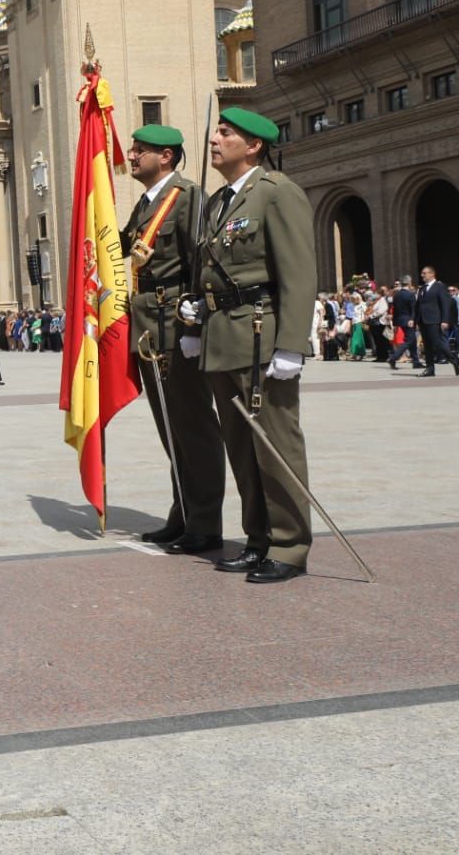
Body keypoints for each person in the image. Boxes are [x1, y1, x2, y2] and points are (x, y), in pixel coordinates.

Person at [179, 108, 315, 584]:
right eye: (215, 130)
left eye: (225, 132)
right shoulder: (218, 203)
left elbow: (298, 273)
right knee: (241, 448)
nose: (214, 139)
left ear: (254, 145)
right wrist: (196, 318)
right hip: (225, 338)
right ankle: (258, 540)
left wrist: (292, 345)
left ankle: (290, 546)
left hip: (262, 337)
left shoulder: (276, 193)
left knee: (276, 445)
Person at [119, 124, 227, 554]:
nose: (130, 155)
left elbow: (200, 263)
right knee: (171, 429)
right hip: (148, 328)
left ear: (166, 156)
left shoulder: (186, 199)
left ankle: (205, 524)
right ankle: (183, 513)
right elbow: (122, 249)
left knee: (193, 427)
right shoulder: (147, 205)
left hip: (174, 328)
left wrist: (195, 328)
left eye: (139, 150)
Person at [415, 266, 459, 377]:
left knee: (437, 343)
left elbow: (445, 304)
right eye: (422, 273)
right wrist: (415, 319)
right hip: (423, 320)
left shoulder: (439, 287)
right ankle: (430, 368)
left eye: (424, 273)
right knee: (427, 346)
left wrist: (445, 320)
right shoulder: (422, 288)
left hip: (435, 320)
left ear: (432, 274)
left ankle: (454, 360)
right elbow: (418, 305)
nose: (422, 275)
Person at [388, 276, 419, 370]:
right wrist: (412, 319)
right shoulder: (410, 294)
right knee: (409, 341)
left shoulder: (396, 295)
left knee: (412, 340)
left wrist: (395, 322)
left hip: (399, 320)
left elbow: (395, 310)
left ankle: (416, 362)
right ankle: (393, 358)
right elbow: (413, 309)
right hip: (408, 320)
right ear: (409, 283)